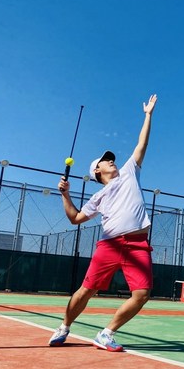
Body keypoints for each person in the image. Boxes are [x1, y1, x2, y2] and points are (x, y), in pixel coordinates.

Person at [48, 94, 158, 352]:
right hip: (109, 246)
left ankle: (106, 333)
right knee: (87, 290)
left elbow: (142, 144)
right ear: (96, 171)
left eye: (111, 158)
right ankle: (64, 327)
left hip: (138, 245)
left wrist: (148, 115)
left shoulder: (130, 172)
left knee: (142, 295)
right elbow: (75, 218)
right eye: (105, 160)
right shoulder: (98, 196)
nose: (111, 160)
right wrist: (65, 194)